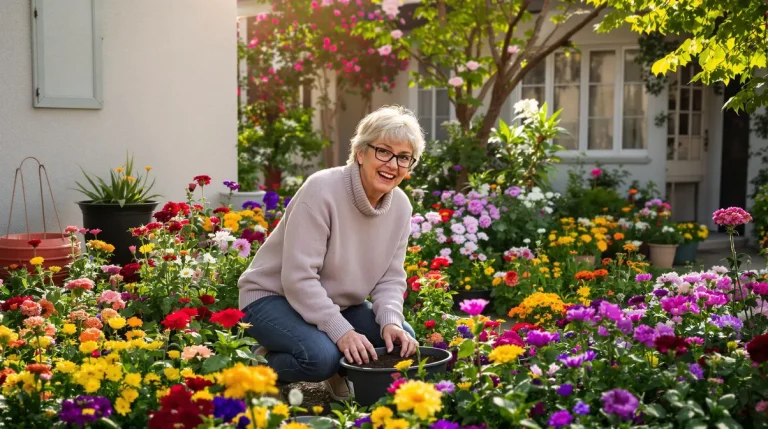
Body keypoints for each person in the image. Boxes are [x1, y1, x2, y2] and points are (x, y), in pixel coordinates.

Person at [238, 105, 425, 401]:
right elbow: (298, 279)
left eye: (404, 157)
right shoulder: (322, 190)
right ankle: (256, 364)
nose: (393, 164)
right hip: (273, 298)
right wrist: (342, 333)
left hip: (336, 303)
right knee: (320, 358)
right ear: (361, 153)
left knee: (402, 341)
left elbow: (390, 278)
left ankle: (340, 369)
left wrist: (390, 320)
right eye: (384, 151)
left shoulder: (400, 206)